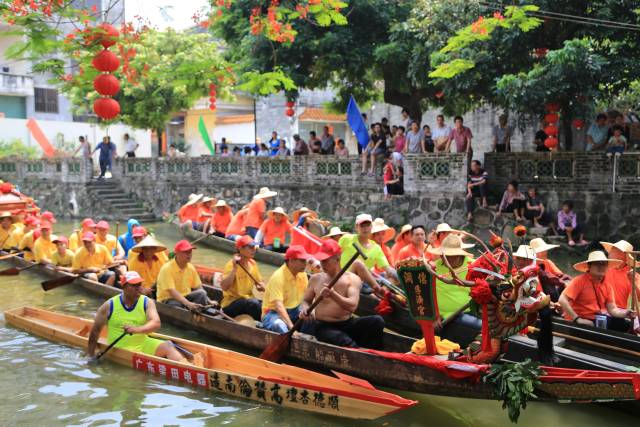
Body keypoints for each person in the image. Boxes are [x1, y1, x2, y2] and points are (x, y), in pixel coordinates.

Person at [300, 239, 385, 349]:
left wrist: (333, 295)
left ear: (337, 258)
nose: (322, 264)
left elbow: (352, 307)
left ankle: (370, 353)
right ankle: (356, 350)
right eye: (321, 260)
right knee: (345, 341)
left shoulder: (353, 279)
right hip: (323, 326)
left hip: (346, 323)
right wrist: (305, 309)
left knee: (377, 321)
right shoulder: (316, 279)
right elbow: (306, 300)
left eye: (326, 260)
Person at [87, 271, 184, 362]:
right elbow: (95, 331)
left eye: (139, 284)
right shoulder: (108, 306)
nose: (138, 288)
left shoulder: (147, 302)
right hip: (121, 348)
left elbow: (156, 323)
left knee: (168, 346)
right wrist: (91, 356)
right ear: (123, 287)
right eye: (133, 285)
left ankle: (187, 367)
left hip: (143, 343)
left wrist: (136, 329)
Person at [559, 251, 635, 331]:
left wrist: (626, 313)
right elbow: (562, 299)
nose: (601, 267)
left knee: (624, 324)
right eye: (597, 264)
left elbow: (612, 309)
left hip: (596, 318)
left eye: (604, 264)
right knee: (595, 326)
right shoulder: (579, 281)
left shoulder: (607, 286)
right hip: (577, 320)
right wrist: (577, 319)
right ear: (589, 266)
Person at [427, 234, 480, 329]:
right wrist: (433, 316)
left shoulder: (474, 267)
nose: (444, 258)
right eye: (442, 255)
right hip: (440, 318)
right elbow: (425, 293)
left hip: (468, 313)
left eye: (449, 255)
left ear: (459, 255)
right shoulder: (433, 268)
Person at [338, 214, 396, 294]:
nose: (365, 229)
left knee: (392, 276)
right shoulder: (347, 239)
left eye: (367, 225)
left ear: (371, 227)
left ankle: (382, 294)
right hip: (346, 278)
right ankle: (379, 291)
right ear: (356, 227)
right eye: (362, 226)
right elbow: (334, 256)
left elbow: (387, 268)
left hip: (366, 282)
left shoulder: (376, 248)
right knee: (358, 263)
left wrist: (400, 275)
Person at [261, 245, 312, 333]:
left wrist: (306, 310)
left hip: (294, 310)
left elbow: (307, 297)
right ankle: (293, 336)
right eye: (302, 261)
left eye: (305, 261)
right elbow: (279, 307)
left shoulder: (302, 274)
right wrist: (292, 328)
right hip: (273, 313)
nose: (305, 264)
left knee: (311, 317)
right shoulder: (278, 277)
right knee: (279, 325)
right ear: (291, 261)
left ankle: (303, 337)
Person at [156, 240, 212, 311]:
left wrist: (209, 300)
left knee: (202, 293)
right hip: (168, 299)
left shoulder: (191, 267)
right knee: (176, 305)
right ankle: (190, 310)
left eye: (190, 252)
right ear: (177, 253)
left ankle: (195, 311)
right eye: (186, 252)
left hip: (185, 297)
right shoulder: (167, 268)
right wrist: (188, 304)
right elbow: (172, 292)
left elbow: (198, 286)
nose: (189, 255)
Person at [220, 235, 265, 320]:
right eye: (250, 247)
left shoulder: (253, 263)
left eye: (254, 247)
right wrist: (234, 269)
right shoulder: (231, 265)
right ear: (240, 249)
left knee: (265, 305)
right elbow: (224, 287)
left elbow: (260, 282)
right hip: (231, 304)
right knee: (253, 303)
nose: (253, 250)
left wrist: (261, 286)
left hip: (247, 300)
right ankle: (262, 324)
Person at [601, 240, 639, 310]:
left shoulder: (632, 275)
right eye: (611, 251)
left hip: (619, 311)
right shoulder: (602, 269)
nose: (609, 254)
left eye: (614, 251)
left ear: (625, 256)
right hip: (598, 308)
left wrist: (634, 283)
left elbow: (639, 298)